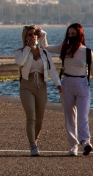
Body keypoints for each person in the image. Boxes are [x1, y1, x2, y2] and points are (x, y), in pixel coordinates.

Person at [46, 23, 93, 157]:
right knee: (69, 117)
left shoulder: (87, 52)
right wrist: (42, 35)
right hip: (67, 83)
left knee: (83, 116)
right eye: (69, 34)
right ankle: (73, 146)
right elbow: (46, 47)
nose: (71, 36)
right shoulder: (64, 48)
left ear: (80, 35)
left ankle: (85, 142)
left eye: (74, 34)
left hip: (82, 84)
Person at [14, 26, 60, 156]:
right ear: (25, 37)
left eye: (34, 34)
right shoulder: (20, 52)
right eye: (29, 35)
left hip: (41, 86)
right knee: (31, 117)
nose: (32, 37)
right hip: (26, 86)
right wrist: (28, 47)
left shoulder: (44, 53)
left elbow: (52, 70)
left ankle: (35, 140)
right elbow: (20, 61)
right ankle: (32, 146)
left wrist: (58, 84)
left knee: (39, 120)